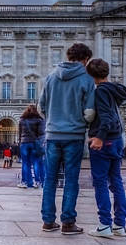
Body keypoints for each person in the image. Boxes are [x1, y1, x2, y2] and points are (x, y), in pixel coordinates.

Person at [38, 43, 95, 235]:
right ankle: (68, 223)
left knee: (50, 180)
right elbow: (89, 113)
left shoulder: (51, 76)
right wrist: (79, 121)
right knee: (71, 180)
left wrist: (54, 120)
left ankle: (48, 221)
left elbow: (41, 108)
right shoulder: (86, 79)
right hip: (74, 136)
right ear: (85, 59)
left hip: (52, 135)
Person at [85, 58, 126, 239]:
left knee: (101, 183)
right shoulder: (113, 90)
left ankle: (105, 224)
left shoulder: (101, 91)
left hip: (106, 141)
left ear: (91, 75)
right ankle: (120, 224)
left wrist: (99, 138)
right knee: (116, 181)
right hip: (117, 140)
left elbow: (108, 117)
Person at [18, 105, 46, 189]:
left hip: (24, 143)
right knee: (36, 162)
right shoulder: (39, 120)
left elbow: (19, 133)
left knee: (25, 163)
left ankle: (25, 182)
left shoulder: (22, 120)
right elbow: (41, 133)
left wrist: (20, 142)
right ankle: (37, 182)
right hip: (34, 143)